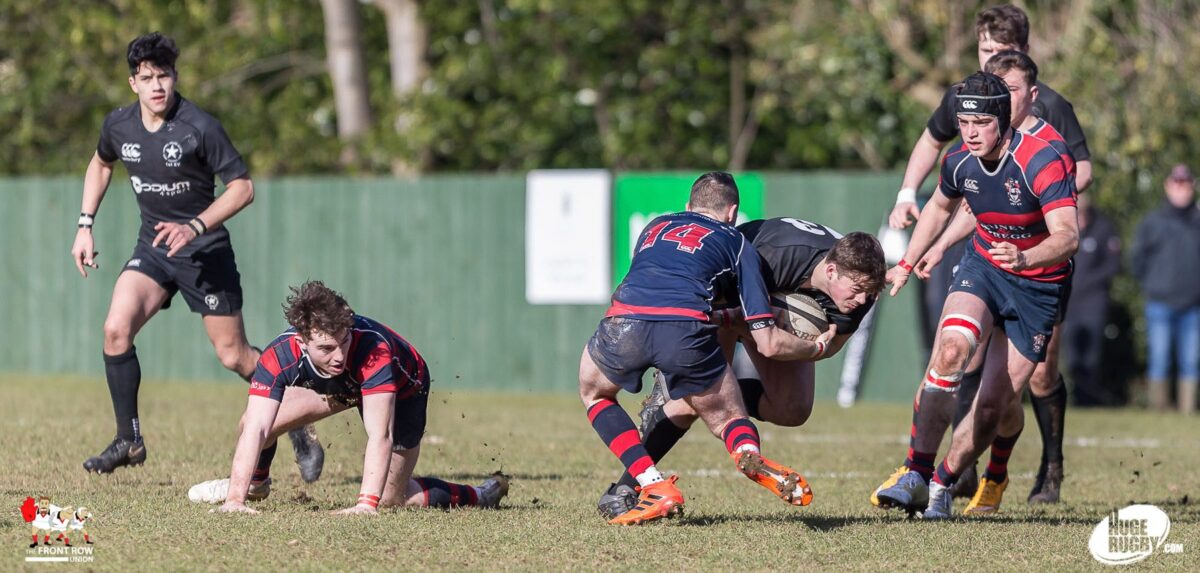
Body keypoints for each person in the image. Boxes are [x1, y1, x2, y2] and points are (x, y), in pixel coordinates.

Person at [70, 33, 322, 477]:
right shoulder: (118, 126)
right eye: (146, 77)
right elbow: (101, 162)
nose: (156, 85)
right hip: (154, 248)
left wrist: (195, 226)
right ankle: (129, 440)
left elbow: (243, 188)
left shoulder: (199, 127)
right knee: (115, 330)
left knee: (235, 356)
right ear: (133, 83)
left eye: (163, 75)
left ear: (175, 76)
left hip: (204, 252)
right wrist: (85, 224)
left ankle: (296, 415)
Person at [884, 5, 1090, 504]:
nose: (969, 130)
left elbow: (1068, 233)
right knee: (953, 351)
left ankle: (956, 480)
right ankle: (917, 471)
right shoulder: (963, 153)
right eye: (965, 121)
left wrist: (1028, 255)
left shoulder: (1047, 152)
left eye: (981, 121)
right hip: (986, 265)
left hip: (1039, 280)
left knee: (1000, 401)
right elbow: (951, 202)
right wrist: (914, 257)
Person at [580, 172, 832, 525]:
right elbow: (766, 337)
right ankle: (747, 452)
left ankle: (651, 482)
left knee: (596, 396)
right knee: (729, 418)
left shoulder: (654, 227)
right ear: (733, 213)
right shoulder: (738, 243)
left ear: (688, 206)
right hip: (685, 329)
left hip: (626, 319)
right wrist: (816, 347)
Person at [597, 219, 887, 519]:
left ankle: (710, 397)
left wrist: (807, 341)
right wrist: (731, 321)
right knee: (694, 403)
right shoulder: (773, 255)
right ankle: (627, 488)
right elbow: (718, 297)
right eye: (857, 290)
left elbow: (831, 345)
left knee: (793, 409)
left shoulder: (863, 285)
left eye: (868, 293)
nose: (862, 300)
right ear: (831, 271)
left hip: (759, 315)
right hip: (722, 297)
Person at [190, 281, 509, 514]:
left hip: (404, 389)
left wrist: (364, 505)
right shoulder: (279, 355)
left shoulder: (374, 352)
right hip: (340, 389)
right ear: (302, 343)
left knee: (389, 498)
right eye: (327, 348)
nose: (339, 354)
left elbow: (379, 434)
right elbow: (258, 427)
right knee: (252, 422)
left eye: (344, 342)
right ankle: (253, 486)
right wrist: (234, 501)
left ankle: (478, 495)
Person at [1132, 164, 1200, 414]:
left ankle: (1187, 410)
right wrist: (1152, 285)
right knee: (1159, 359)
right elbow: (1137, 260)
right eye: (1176, 183)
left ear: (1192, 186)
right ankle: (1158, 410)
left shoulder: (1197, 221)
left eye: (1185, 184)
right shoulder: (1153, 222)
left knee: (1191, 362)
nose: (1181, 189)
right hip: (1160, 302)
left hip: (1193, 305)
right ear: (1168, 186)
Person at [1063, 193, 1122, 406]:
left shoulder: (1104, 229)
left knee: (1091, 356)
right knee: (1072, 355)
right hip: (1069, 303)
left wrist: (1088, 282)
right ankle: (1076, 399)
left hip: (1094, 303)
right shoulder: (1063, 231)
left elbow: (1113, 265)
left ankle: (1087, 400)